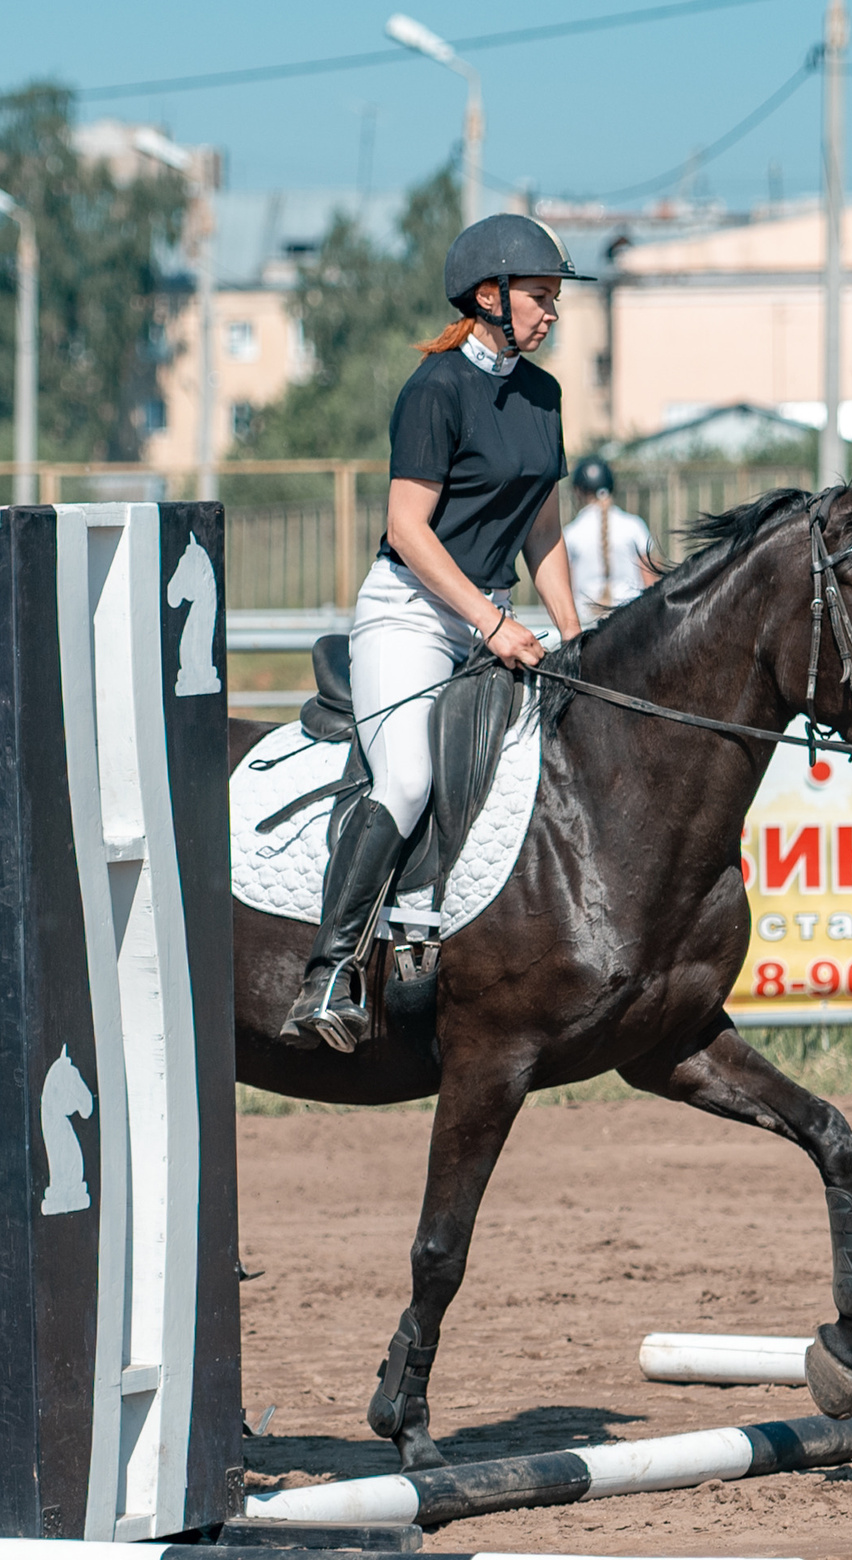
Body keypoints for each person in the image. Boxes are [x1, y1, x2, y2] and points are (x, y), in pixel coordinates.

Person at [281, 214, 593, 1052]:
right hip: (413, 613)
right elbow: (410, 530)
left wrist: (577, 633)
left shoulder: (543, 397)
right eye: (540, 295)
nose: (551, 312)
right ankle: (329, 973)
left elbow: (544, 532)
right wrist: (492, 623)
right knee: (410, 777)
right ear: (488, 296)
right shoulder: (434, 389)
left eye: (555, 298)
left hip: (488, 614)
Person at [560, 458, 658, 628]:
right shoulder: (634, 526)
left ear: (578, 491)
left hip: (586, 623)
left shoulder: (571, 533)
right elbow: (651, 581)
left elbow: (567, 586)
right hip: (632, 620)